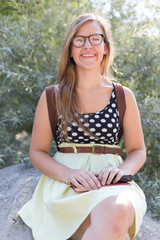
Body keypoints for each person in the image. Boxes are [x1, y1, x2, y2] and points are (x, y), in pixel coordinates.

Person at [18, 13, 147, 240]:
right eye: (79, 40)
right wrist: (69, 174)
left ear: (105, 47)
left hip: (112, 182)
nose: (87, 45)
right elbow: (37, 152)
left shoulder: (123, 96)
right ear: (70, 49)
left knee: (117, 209)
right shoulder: (52, 96)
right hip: (67, 184)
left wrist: (122, 171)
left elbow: (138, 150)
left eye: (95, 38)